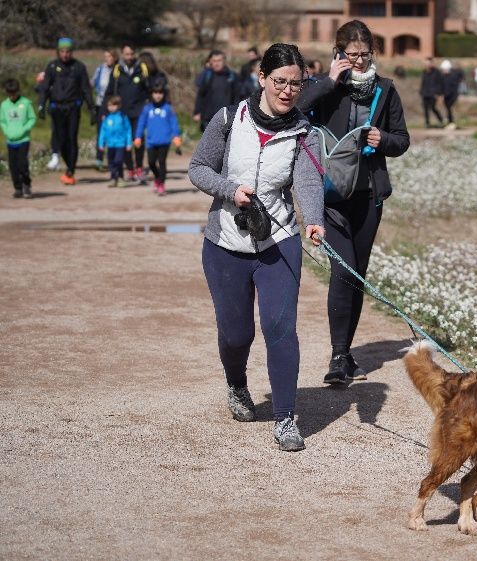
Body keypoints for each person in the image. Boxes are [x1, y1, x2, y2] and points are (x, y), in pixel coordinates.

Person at [188, 42, 326, 452]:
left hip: (278, 243)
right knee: (236, 335)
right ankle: (237, 384)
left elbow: (308, 183)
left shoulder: (306, 133)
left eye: (296, 84)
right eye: (280, 81)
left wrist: (314, 219)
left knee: (280, 328)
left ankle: (285, 417)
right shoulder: (230, 119)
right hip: (226, 243)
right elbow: (198, 168)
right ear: (262, 78)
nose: (287, 90)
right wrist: (230, 190)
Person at [297, 19, 410, 385]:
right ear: (339, 52)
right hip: (330, 195)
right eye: (351, 55)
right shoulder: (326, 86)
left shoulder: (386, 90)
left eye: (364, 55)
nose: (359, 62)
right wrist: (330, 80)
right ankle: (337, 356)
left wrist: (384, 139)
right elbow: (296, 110)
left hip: (368, 195)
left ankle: (345, 355)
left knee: (357, 275)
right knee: (343, 271)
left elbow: (402, 139)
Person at [37, 37, 95, 186]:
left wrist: (91, 108)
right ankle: (68, 163)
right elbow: (44, 88)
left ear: (72, 52)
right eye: (62, 51)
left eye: (68, 52)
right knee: (61, 140)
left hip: (73, 108)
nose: (65, 55)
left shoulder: (79, 67)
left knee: (72, 138)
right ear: (58, 52)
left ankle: (71, 170)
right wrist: (41, 105)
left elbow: (86, 89)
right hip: (57, 108)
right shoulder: (51, 66)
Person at [105, 44, 150, 182]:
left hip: (138, 112)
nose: (129, 57)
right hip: (122, 113)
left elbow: (149, 90)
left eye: (131, 54)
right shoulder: (117, 70)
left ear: (134, 54)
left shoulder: (142, 68)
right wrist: (104, 111)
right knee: (124, 142)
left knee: (138, 141)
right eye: (126, 54)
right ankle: (129, 169)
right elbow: (110, 92)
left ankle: (139, 168)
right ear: (122, 54)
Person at [134, 79, 182, 196]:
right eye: (155, 93)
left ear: (163, 94)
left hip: (164, 141)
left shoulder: (168, 108)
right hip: (151, 141)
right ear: (151, 94)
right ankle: (157, 178)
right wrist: (138, 136)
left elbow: (173, 123)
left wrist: (176, 137)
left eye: (160, 93)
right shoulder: (147, 108)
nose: (158, 95)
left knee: (162, 162)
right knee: (151, 163)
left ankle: (161, 184)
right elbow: (141, 123)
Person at [1, 79, 36, 199]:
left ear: (18, 91)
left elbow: (32, 118)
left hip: (23, 140)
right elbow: (2, 121)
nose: (12, 96)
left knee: (22, 164)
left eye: (14, 93)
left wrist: (24, 129)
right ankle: (17, 188)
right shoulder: (4, 105)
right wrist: (6, 131)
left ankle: (26, 185)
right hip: (11, 140)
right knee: (13, 166)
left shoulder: (26, 103)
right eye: (9, 94)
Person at [193, 50, 240, 133]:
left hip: (227, 118)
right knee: (209, 145)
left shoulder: (232, 77)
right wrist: (197, 112)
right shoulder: (206, 76)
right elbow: (200, 95)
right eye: (214, 61)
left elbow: (237, 97)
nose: (216, 63)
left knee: (225, 144)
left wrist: (236, 114)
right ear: (210, 62)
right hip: (208, 119)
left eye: (219, 60)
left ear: (224, 61)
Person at [97, 96, 133, 188]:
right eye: (109, 105)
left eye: (114, 105)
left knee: (119, 160)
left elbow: (128, 130)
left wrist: (129, 143)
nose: (111, 107)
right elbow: (103, 131)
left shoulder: (122, 117)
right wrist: (101, 143)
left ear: (119, 106)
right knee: (111, 162)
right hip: (110, 144)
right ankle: (113, 178)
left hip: (120, 144)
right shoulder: (106, 118)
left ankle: (120, 177)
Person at [91, 50, 116, 170]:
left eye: (110, 56)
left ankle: (116, 159)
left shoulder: (118, 70)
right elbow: (92, 83)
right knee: (101, 132)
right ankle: (99, 159)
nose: (108, 59)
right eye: (106, 56)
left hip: (115, 106)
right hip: (101, 104)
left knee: (115, 131)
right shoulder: (100, 69)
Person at [419, 57, 443, 128]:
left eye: (429, 63)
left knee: (433, 107)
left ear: (432, 63)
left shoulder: (436, 72)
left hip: (433, 93)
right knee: (425, 108)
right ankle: (427, 123)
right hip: (425, 93)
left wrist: (438, 93)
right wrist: (421, 91)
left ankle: (441, 120)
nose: (427, 65)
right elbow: (423, 82)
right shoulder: (424, 72)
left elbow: (440, 83)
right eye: (426, 63)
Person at [440, 60, 462, 129]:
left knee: (450, 108)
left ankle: (453, 122)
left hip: (452, 95)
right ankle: (450, 122)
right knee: (448, 109)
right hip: (446, 96)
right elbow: (442, 86)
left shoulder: (453, 76)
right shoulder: (443, 77)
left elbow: (453, 87)